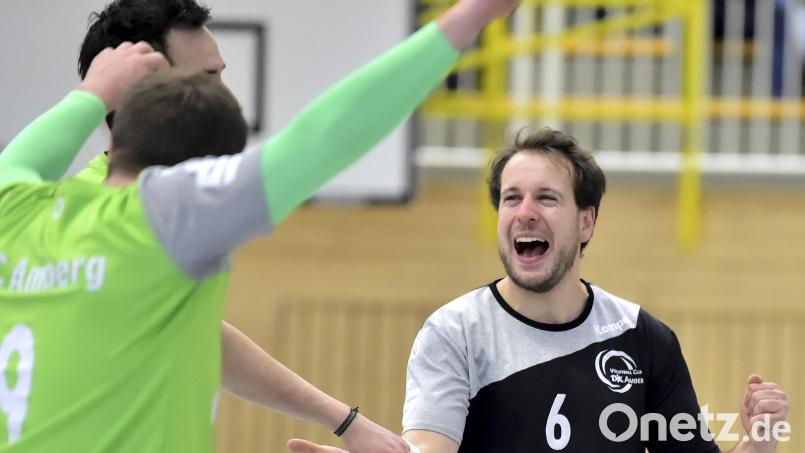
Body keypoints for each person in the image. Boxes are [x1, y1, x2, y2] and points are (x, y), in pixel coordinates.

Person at [0, 1, 520, 451]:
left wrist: (342, 418)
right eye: (207, 80)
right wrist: (469, 15)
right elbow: (323, 139)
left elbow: (194, 332)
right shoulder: (166, 216)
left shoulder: (19, 209)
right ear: (144, 91)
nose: (227, 95)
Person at [289, 129, 790, 453]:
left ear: (586, 221)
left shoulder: (643, 337)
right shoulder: (455, 332)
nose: (525, 211)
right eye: (511, 198)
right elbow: (428, 448)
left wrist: (760, 443)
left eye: (547, 198)